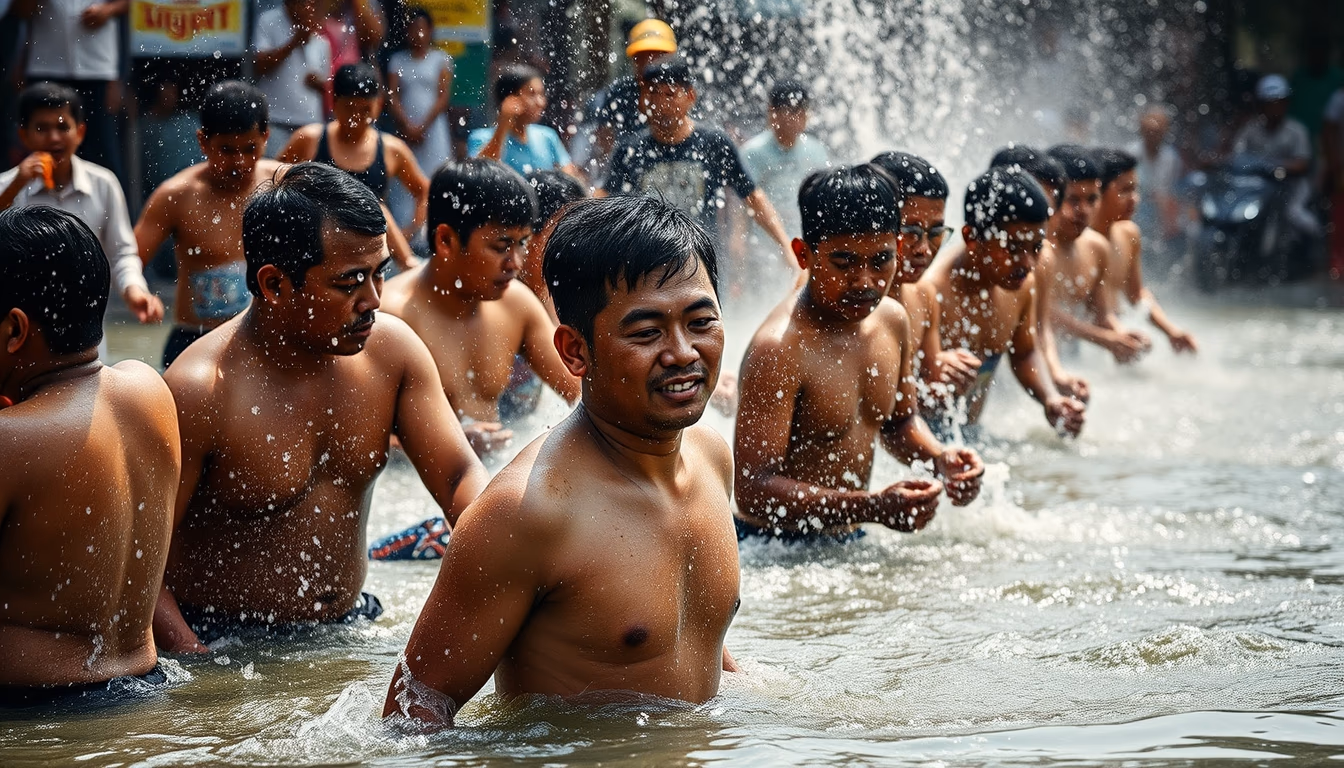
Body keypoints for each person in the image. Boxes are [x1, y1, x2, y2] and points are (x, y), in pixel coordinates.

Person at [383, 194, 740, 728]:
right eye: (646, 333)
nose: (683, 353)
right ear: (575, 351)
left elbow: (689, 645)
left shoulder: (712, 457)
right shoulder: (525, 513)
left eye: (700, 321)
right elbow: (411, 717)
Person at [151, 162, 487, 653]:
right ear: (274, 285)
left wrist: (506, 570)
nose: (374, 300)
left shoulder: (391, 353)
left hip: (352, 624)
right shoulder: (201, 391)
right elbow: (138, 565)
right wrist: (197, 672)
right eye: (350, 282)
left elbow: (460, 479)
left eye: (380, 274)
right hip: (222, 645)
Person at [733, 165, 983, 543]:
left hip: (851, 536)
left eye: (880, 260)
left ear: (898, 249)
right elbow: (752, 490)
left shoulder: (893, 321)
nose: (865, 281)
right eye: (844, 263)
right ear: (804, 254)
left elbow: (899, 423)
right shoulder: (780, 348)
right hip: (771, 547)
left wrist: (940, 460)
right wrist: (871, 507)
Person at [0, 206, 179, 704]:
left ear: (15, 331)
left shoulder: (8, 442)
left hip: (35, 713)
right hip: (146, 690)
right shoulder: (151, 393)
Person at [380, 159, 580, 458]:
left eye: (522, 243)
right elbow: (351, 443)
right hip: (408, 487)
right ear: (446, 240)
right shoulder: (391, 318)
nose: (516, 262)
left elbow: (581, 397)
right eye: (501, 247)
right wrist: (444, 443)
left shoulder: (516, 303)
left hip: (490, 474)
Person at [920, 167, 1086, 440]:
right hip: (916, 447)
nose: (1028, 264)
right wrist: (929, 385)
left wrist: (1050, 399)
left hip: (971, 435)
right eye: (1013, 248)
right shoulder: (930, 293)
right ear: (972, 239)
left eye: (1035, 248)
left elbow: (1024, 352)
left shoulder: (1020, 287)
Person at [134, 81, 280, 369]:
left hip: (265, 339)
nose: (239, 162)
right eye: (226, 150)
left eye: (250, 148)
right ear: (203, 142)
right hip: (195, 339)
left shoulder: (283, 186)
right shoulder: (176, 195)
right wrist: (136, 291)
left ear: (265, 137)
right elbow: (127, 258)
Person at [605, 55, 793, 267]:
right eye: (652, 94)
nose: (660, 104)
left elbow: (753, 197)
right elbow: (603, 202)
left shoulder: (714, 144)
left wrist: (785, 245)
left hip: (701, 265)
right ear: (641, 100)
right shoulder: (629, 150)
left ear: (690, 96)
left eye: (669, 94)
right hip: (646, 267)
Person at [0, 82, 161, 326]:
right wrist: (17, 185)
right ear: (24, 135)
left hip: (87, 329)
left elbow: (121, 254)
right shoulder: (7, 185)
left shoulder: (103, 184)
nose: (54, 137)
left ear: (80, 132)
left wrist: (135, 292)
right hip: (21, 327)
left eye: (63, 127)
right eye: (42, 128)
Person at [280, 62, 427, 271]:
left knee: (376, 207)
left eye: (365, 109)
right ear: (335, 102)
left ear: (379, 104)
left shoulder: (392, 149)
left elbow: (423, 192)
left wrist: (408, 233)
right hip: (317, 253)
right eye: (350, 108)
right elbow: (272, 182)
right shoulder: (309, 139)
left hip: (371, 255)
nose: (357, 118)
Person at [869, 151, 981, 404]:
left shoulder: (923, 295)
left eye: (936, 232)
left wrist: (949, 376)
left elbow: (924, 391)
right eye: (911, 231)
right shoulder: (839, 295)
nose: (925, 249)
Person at [987, 145, 1090, 403]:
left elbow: (1040, 330)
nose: (1041, 218)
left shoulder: (1041, 257)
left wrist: (1056, 377)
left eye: (1048, 207)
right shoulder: (956, 267)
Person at [1038, 144, 1151, 365]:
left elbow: (1101, 313)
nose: (1084, 211)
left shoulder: (1096, 247)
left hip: (1073, 357)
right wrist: (1105, 339)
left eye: (1091, 200)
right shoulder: (1033, 250)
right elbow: (1042, 314)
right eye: (1073, 200)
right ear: (1051, 197)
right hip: (1035, 360)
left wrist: (1122, 336)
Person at [1092, 148, 1198, 354]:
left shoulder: (1129, 234)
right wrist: (1118, 335)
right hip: (1090, 346)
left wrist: (1171, 331)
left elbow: (1136, 294)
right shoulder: (1082, 241)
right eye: (1125, 190)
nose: (1134, 199)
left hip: (1118, 340)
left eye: (1136, 190)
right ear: (1098, 190)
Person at [15, 0, 127, 180]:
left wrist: (109, 10)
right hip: (45, 65)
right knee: (40, 152)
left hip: (97, 69)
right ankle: (39, 204)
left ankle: (105, 206)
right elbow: (21, 11)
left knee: (101, 151)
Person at [387, 7, 453, 230]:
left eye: (421, 28)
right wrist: (407, 126)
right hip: (406, 130)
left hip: (433, 130)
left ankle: (433, 231)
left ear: (430, 30)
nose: (416, 33)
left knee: (436, 178)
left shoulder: (440, 58)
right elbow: (392, 95)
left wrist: (423, 126)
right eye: (412, 28)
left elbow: (443, 96)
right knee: (406, 181)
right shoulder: (398, 60)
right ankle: (407, 233)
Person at [740, 80, 830, 239]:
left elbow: (825, 198)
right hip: (765, 241)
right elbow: (741, 201)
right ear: (772, 112)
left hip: (803, 236)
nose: (798, 118)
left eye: (802, 111)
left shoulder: (816, 150)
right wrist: (737, 238)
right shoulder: (753, 152)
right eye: (791, 111)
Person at [1233, 75, 1318, 242]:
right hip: (1260, 186)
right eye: (1270, 103)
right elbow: (1236, 157)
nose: (1275, 108)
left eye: (1279, 102)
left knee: (1294, 214)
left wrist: (1276, 167)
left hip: (1291, 186)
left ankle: (1316, 244)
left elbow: (1303, 164)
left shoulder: (1296, 131)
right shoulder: (1250, 130)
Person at [468, 64, 581, 178]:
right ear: (510, 99)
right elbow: (481, 175)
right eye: (532, 94)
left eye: (541, 94)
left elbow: (569, 178)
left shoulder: (547, 136)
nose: (540, 102)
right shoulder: (481, 138)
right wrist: (503, 125)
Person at [252, 0, 330, 156]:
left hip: (310, 123)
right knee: (276, 174)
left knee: (307, 177)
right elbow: (260, 66)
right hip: (275, 120)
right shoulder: (268, 21)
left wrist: (317, 82)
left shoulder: (321, 35)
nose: (307, 8)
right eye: (302, 3)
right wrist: (295, 41)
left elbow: (326, 83)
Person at [1128, 105, 1185, 266]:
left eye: (1158, 131)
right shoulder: (1131, 154)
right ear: (1142, 130)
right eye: (1150, 130)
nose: (1153, 135)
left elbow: (1169, 192)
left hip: (1161, 208)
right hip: (1138, 207)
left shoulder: (1170, 158)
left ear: (1164, 133)